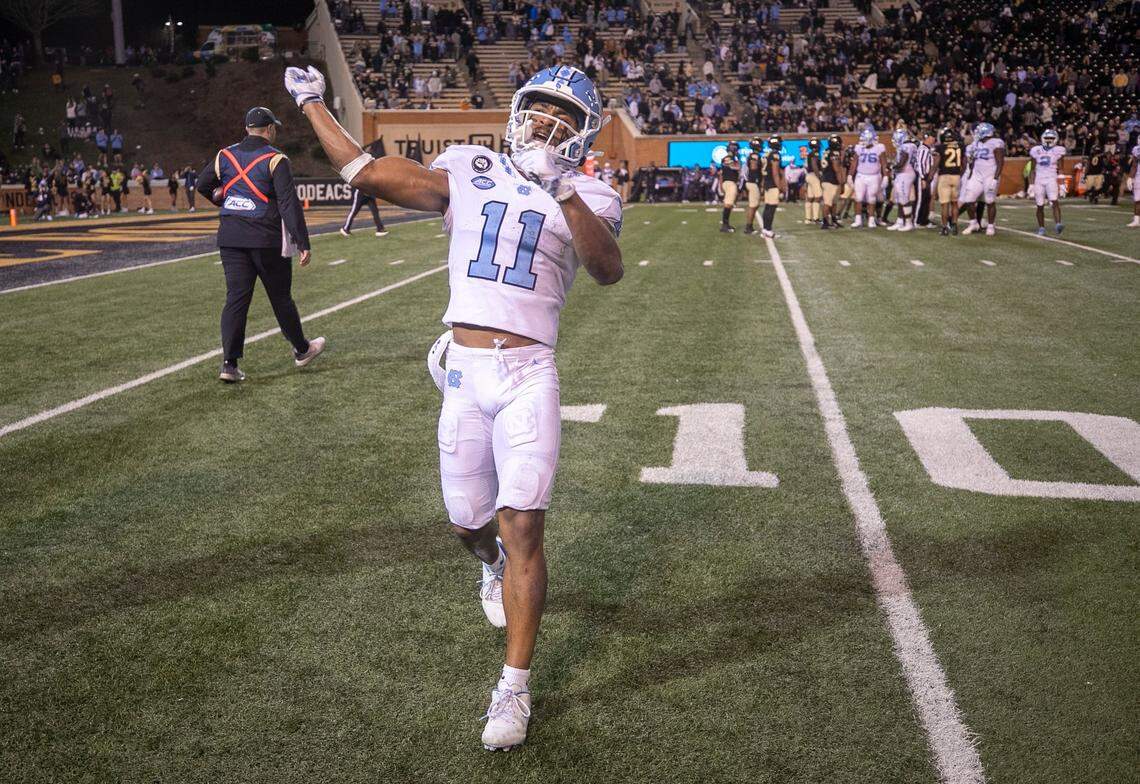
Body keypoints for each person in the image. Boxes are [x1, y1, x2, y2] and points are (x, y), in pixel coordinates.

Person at [286, 62, 623, 752]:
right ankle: (487, 561)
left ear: (583, 131)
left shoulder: (590, 190)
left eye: (563, 116)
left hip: (530, 371)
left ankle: (514, 688)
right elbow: (365, 174)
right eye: (538, 109)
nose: (546, 123)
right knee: (468, 523)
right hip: (467, 372)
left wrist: (562, 190)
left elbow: (607, 268)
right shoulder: (470, 165)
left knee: (524, 521)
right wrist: (313, 102)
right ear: (518, 111)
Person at [195, 106, 326, 383]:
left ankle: (229, 364)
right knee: (280, 298)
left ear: (246, 129)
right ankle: (302, 349)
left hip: (230, 237)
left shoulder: (225, 155)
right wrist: (303, 242)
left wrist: (222, 199)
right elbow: (289, 203)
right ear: (269, 130)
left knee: (236, 298)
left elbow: (203, 184)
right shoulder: (276, 159)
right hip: (265, 237)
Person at [959, 123, 1005, 236]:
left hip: (990, 175)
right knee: (969, 199)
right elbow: (973, 160)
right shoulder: (976, 144)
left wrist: (995, 179)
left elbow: (1000, 163)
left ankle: (990, 225)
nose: (976, 133)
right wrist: (970, 175)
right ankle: (973, 223)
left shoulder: (996, 143)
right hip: (977, 174)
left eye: (978, 131)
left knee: (989, 201)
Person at [340, 139, 388, 237]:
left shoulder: (372, 168)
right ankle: (346, 228)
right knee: (354, 211)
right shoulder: (362, 167)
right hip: (361, 193)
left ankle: (380, 229)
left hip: (370, 193)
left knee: (375, 212)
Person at [1028, 129, 1065, 235]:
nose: (1049, 140)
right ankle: (1041, 227)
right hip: (1039, 180)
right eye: (1047, 138)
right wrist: (1031, 184)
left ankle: (1058, 224)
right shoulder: (1036, 150)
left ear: (1056, 139)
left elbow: (1061, 169)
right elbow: (1032, 169)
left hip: (1051, 178)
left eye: (1051, 138)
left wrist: (1062, 184)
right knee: (1040, 205)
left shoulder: (1059, 150)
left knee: (1055, 201)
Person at [848, 128, 885, 228]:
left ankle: (871, 220)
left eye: (864, 139)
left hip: (874, 176)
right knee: (858, 197)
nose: (862, 142)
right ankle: (858, 219)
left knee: (871, 198)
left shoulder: (879, 148)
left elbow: (883, 163)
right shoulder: (859, 148)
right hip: (861, 175)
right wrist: (850, 175)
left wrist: (885, 176)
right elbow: (854, 162)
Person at [932, 127, 964, 235]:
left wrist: (930, 175)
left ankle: (945, 228)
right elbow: (964, 163)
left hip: (944, 177)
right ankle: (954, 226)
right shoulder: (960, 146)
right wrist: (961, 174)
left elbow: (937, 162)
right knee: (954, 203)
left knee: (945, 204)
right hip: (956, 176)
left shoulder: (940, 147)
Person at [886, 128, 917, 232]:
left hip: (905, 173)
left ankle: (908, 223)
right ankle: (900, 221)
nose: (894, 140)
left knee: (904, 198)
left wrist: (892, 166)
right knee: (899, 199)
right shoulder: (911, 145)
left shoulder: (906, 146)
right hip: (904, 173)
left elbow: (902, 162)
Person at [759, 134, 785, 238]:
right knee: (771, 207)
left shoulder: (767, 154)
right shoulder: (775, 154)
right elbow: (775, 172)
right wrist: (780, 187)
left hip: (767, 182)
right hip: (772, 183)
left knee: (768, 207)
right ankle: (768, 229)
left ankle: (765, 229)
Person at [819, 134, 843, 229]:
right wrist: (841, 181)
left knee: (833, 202)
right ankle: (825, 223)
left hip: (827, 178)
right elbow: (836, 167)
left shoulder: (826, 151)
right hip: (831, 180)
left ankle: (833, 220)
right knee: (828, 202)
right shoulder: (834, 152)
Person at [717, 143, 740, 232]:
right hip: (730, 182)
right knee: (728, 203)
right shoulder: (732, 158)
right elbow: (737, 167)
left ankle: (726, 224)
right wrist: (738, 160)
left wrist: (721, 184)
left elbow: (721, 173)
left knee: (729, 203)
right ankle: (725, 225)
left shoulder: (724, 159)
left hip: (726, 182)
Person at [914, 131, 935, 227]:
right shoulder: (923, 149)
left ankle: (923, 220)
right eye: (932, 137)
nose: (934, 139)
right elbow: (921, 164)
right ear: (927, 138)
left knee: (926, 198)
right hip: (921, 176)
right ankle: (916, 220)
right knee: (920, 199)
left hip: (925, 176)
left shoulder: (927, 149)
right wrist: (923, 178)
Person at [742, 139, 763, 234]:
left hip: (752, 182)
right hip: (753, 182)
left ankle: (749, 226)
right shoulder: (754, 156)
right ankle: (748, 227)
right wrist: (757, 180)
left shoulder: (752, 155)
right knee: (753, 205)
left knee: (755, 205)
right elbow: (753, 168)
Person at [803, 137, 823, 225]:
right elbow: (814, 165)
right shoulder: (815, 153)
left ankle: (808, 218)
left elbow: (807, 166)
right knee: (818, 196)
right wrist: (819, 176)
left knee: (810, 197)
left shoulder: (810, 153)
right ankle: (816, 218)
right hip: (814, 176)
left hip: (809, 175)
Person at [1127, 141, 1140, 227]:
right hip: (1138, 176)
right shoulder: (1136, 149)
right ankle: (1136, 220)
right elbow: (1134, 165)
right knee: (1137, 199)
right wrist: (1130, 177)